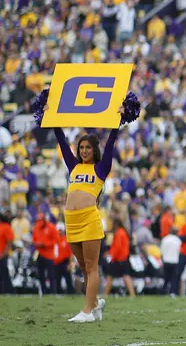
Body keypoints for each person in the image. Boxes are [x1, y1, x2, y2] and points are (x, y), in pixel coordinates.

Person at [39, 92, 136, 322]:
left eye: (87, 148)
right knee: (83, 267)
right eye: (81, 147)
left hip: (89, 219)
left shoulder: (101, 169)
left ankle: (87, 312)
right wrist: (50, 116)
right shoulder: (73, 166)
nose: (83, 151)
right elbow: (62, 141)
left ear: (94, 150)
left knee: (92, 266)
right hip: (70, 221)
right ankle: (96, 303)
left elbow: (111, 143)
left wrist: (118, 122)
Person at [104, 217, 136, 297]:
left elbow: (117, 247)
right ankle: (132, 294)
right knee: (126, 276)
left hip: (119, 259)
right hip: (123, 258)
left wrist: (111, 255)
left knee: (110, 277)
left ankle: (105, 295)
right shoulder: (123, 232)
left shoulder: (119, 233)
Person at [31, 213, 58, 294]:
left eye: (41, 220)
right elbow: (34, 239)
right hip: (40, 254)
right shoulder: (36, 227)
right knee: (41, 275)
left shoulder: (52, 227)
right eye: (38, 220)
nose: (39, 222)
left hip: (49, 255)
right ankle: (44, 292)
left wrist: (44, 244)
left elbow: (55, 240)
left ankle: (53, 293)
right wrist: (36, 244)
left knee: (51, 275)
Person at [160, 226, 182, 296]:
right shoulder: (178, 240)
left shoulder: (165, 239)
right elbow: (179, 251)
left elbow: (162, 252)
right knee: (174, 278)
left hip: (166, 261)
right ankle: (172, 292)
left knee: (166, 278)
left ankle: (163, 291)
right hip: (175, 261)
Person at [0, 210, 14, 294]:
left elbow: (10, 240)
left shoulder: (6, 227)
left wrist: (4, 253)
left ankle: (9, 292)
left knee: (4, 275)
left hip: (2, 255)